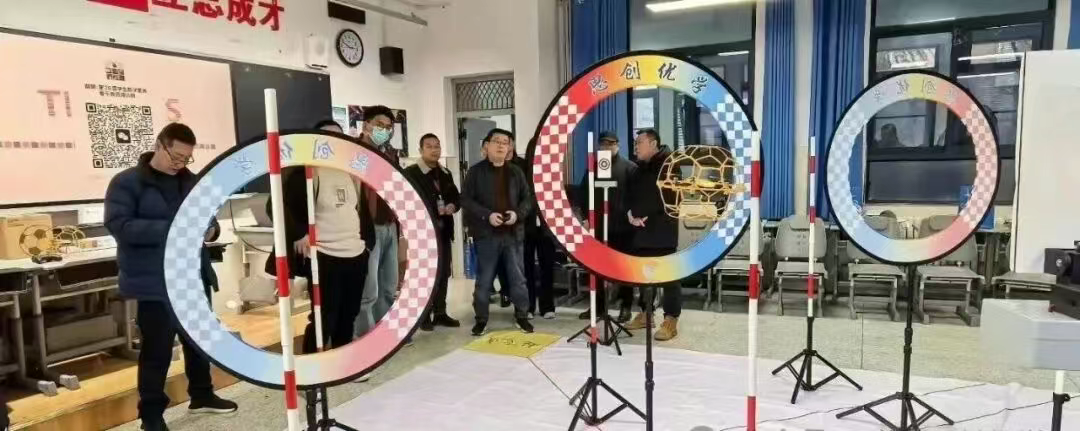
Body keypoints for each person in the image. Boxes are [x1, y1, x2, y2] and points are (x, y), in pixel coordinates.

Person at [105, 123, 237, 431]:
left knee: (198, 341)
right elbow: (119, 225)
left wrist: (211, 230)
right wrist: (174, 230)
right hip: (155, 282)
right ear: (159, 145)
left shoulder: (192, 182)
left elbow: (211, 220)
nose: (180, 163)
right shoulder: (127, 182)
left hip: (192, 276)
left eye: (186, 158)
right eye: (176, 156)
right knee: (157, 350)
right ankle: (151, 414)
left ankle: (202, 394)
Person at [460, 128, 535, 335]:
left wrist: (517, 214)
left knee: (518, 279)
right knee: (484, 280)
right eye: (497, 141)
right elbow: (465, 199)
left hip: (513, 235)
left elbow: (528, 199)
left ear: (509, 147)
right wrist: (487, 215)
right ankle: (481, 319)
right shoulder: (475, 172)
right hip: (486, 236)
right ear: (487, 145)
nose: (502, 145)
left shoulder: (516, 172)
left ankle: (522, 315)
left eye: (505, 142)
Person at [623, 128, 681, 341]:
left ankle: (671, 320)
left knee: (669, 278)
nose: (636, 147)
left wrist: (648, 214)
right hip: (640, 232)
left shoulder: (670, 164)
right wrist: (630, 215)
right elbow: (629, 196)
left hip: (662, 231)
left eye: (639, 142)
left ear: (653, 143)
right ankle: (646, 313)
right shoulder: (637, 168)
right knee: (644, 277)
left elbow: (673, 199)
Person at [574, 131, 638, 323]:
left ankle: (626, 306)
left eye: (610, 144)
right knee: (597, 268)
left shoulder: (630, 168)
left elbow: (637, 198)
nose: (607, 148)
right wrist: (585, 218)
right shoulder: (593, 167)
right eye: (603, 144)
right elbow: (583, 194)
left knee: (624, 268)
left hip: (624, 229)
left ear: (618, 145)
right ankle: (598, 306)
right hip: (599, 227)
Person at [403, 133, 462, 331]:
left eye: (437, 146)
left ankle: (440, 312)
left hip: (443, 231)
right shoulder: (411, 173)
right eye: (429, 146)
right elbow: (407, 203)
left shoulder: (444, 172)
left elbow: (455, 197)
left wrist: (453, 206)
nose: (434, 150)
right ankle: (423, 315)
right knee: (425, 275)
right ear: (420, 150)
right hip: (422, 233)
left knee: (443, 273)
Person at [510, 140, 557, 319]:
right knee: (526, 268)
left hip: (546, 227)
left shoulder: (551, 171)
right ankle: (528, 306)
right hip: (525, 226)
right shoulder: (520, 169)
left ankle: (547, 306)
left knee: (547, 267)